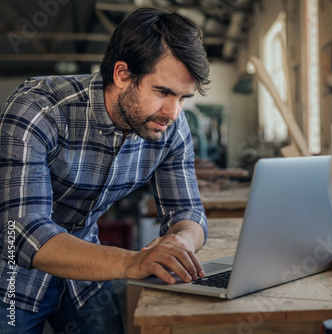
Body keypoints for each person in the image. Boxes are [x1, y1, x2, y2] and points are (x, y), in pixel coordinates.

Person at [0, 8, 210, 333]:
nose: (173, 112)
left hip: (88, 270)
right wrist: (130, 262)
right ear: (122, 74)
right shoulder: (38, 110)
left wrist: (181, 242)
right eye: (163, 92)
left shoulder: (171, 125)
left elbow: (188, 211)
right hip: (12, 277)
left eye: (183, 97)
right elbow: (25, 233)